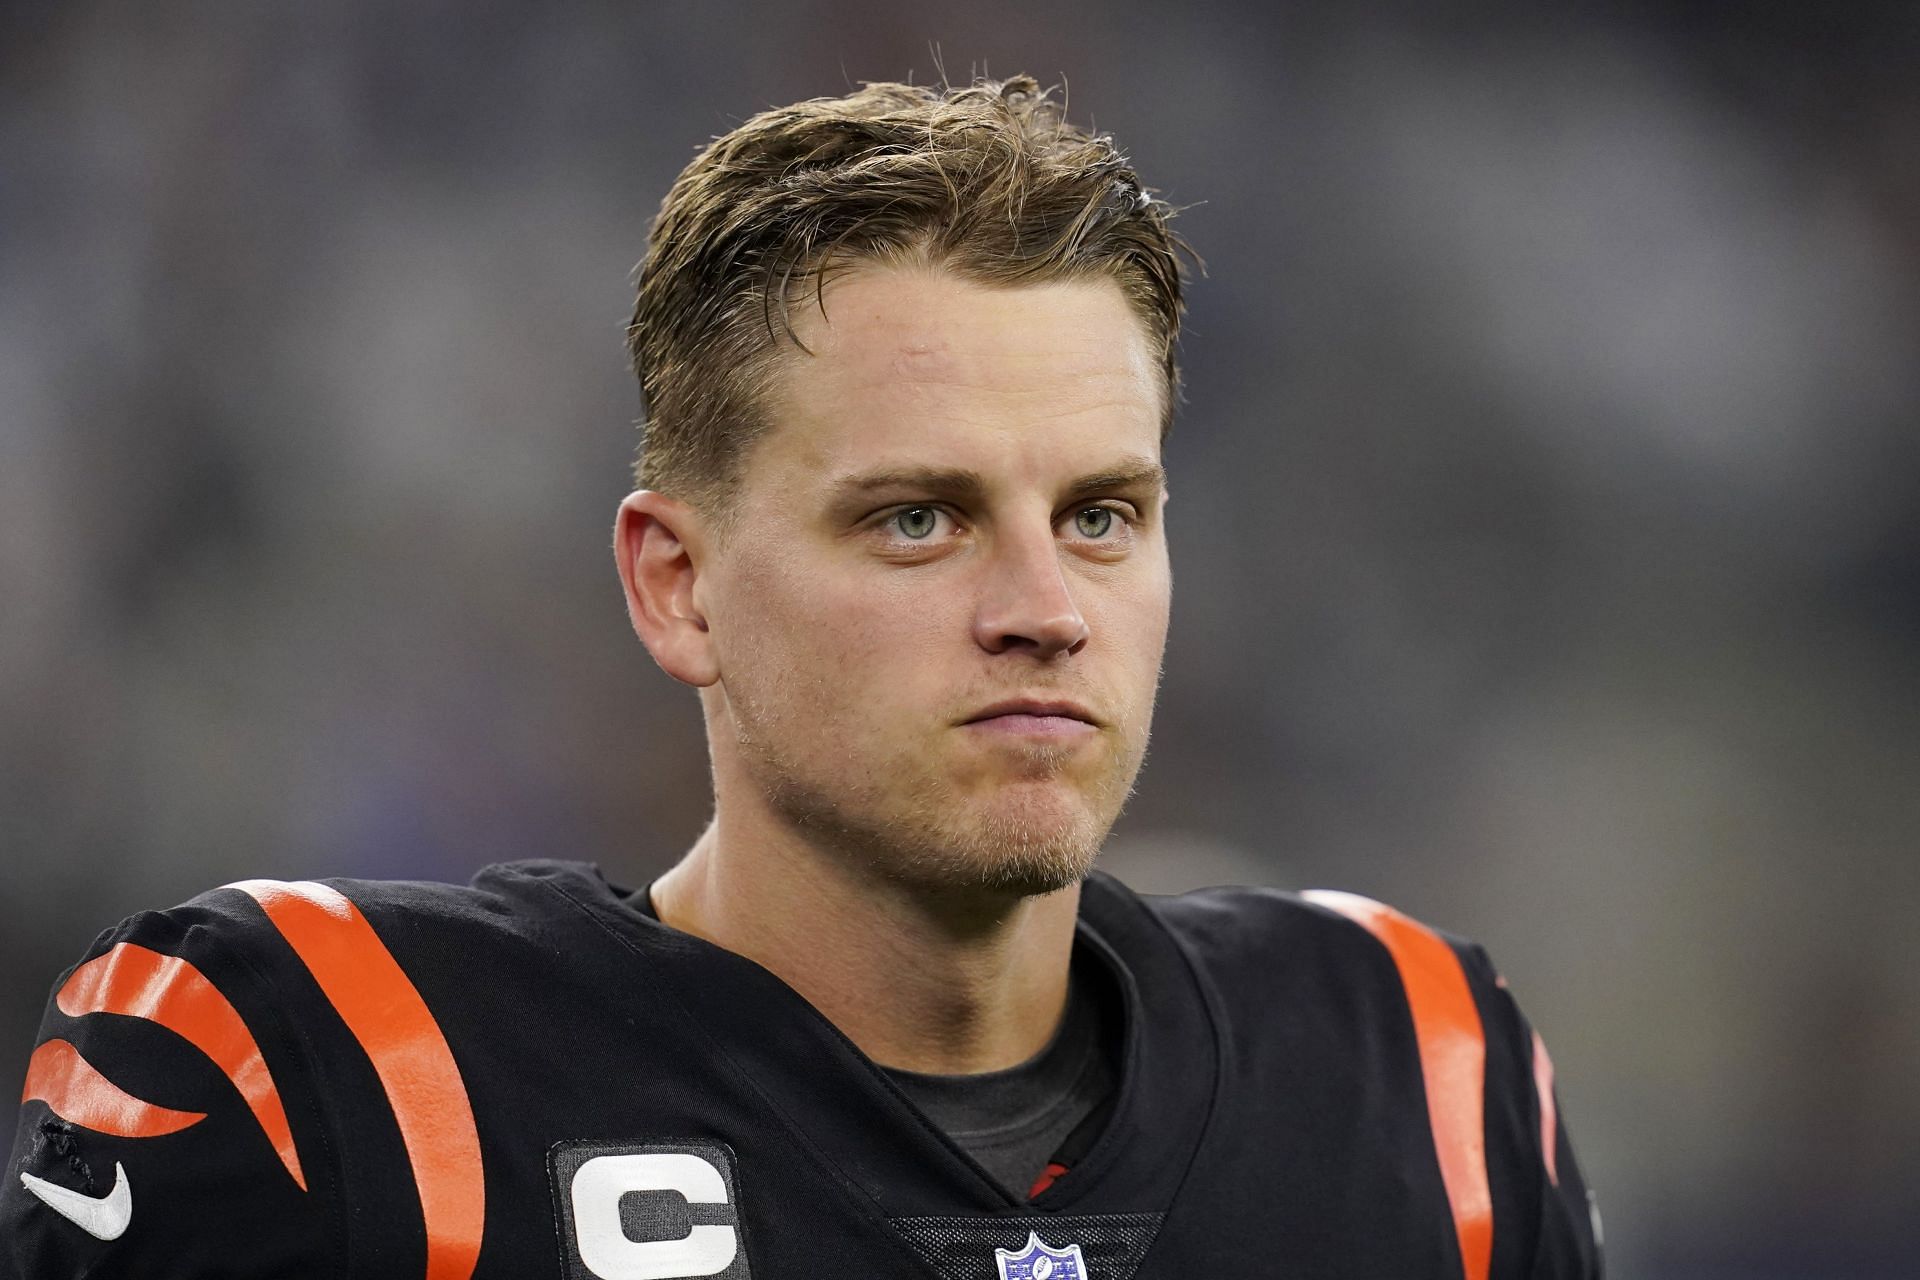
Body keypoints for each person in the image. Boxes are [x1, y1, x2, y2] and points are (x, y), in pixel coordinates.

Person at [3, 76, 1601, 1279]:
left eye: (1103, 516)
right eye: (921, 520)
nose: (1045, 608)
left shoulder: (1421, 1074)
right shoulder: (309, 1073)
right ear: (678, 586)